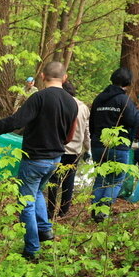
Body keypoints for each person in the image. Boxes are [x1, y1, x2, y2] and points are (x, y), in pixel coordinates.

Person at [0, 62, 78, 261]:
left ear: (42, 76)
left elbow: (16, 122)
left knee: (26, 203)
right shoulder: (72, 102)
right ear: (64, 78)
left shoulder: (38, 97)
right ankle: (45, 230)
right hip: (56, 158)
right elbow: (69, 136)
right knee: (37, 191)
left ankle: (32, 249)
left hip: (35, 159)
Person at [89, 67, 139, 221]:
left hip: (98, 145)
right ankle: (103, 211)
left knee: (101, 178)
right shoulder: (123, 100)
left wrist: (93, 140)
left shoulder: (99, 98)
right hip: (118, 147)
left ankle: (95, 208)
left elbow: (92, 123)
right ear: (127, 84)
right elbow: (135, 121)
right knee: (116, 180)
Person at [47, 80, 90, 219]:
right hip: (75, 151)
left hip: (57, 148)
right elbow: (86, 131)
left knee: (54, 180)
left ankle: (50, 210)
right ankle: (63, 211)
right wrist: (88, 148)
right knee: (68, 181)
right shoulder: (83, 107)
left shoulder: (58, 104)